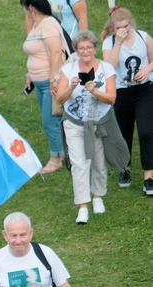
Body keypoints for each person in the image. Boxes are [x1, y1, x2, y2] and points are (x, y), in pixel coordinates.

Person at [55, 30, 126, 224]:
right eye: (81, 48)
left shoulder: (106, 68)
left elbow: (111, 98)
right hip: (75, 123)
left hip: (99, 123)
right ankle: (83, 207)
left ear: (95, 48)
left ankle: (97, 197)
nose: (85, 51)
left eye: (88, 47)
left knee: (98, 162)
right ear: (76, 50)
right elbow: (59, 99)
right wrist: (70, 87)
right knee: (79, 164)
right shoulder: (68, 70)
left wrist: (94, 91)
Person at [101, 7, 153, 195]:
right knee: (124, 132)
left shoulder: (143, 37)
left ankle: (149, 176)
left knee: (147, 131)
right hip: (122, 92)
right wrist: (119, 43)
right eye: (118, 28)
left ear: (131, 24)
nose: (123, 30)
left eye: (126, 26)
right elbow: (109, 66)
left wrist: (147, 71)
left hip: (145, 90)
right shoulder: (110, 43)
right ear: (113, 28)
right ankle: (125, 168)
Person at [21, 0, 68, 175]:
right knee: (50, 120)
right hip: (39, 82)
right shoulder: (36, 26)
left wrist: (53, 79)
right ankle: (62, 153)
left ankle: (56, 159)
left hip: (50, 82)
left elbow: (56, 52)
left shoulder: (48, 24)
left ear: (31, 7)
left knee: (50, 121)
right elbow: (37, 53)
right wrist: (29, 75)